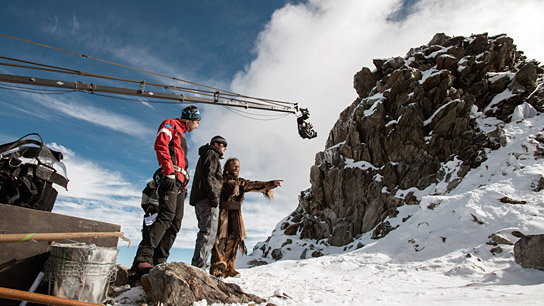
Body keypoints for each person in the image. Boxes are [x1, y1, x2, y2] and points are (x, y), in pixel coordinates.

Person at [131, 105, 200, 275]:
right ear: (190, 118)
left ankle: (159, 260)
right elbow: (161, 145)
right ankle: (144, 258)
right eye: (197, 121)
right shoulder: (170, 124)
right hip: (170, 178)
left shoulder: (182, 134)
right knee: (165, 216)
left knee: (175, 223)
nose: (197, 125)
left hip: (180, 184)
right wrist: (169, 172)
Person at [209, 158, 282, 278]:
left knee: (234, 240)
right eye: (234, 166)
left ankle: (229, 269)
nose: (237, 168)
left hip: (236, 214)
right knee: (220, 240)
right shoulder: (220, 180)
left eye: (238, 166)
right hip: (222, 213)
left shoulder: (240, 182)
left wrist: (271, 184)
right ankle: (217, 269)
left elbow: (254, 184)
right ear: (228, 167)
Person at [190, 135, 228, 269]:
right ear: (217, 145)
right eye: (224, 146)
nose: (225, 149)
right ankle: (199, 268)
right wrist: (214, 197)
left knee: (205, 233)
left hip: (201, 200)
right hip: (208, 200)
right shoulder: (212, 154)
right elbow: (209, 175)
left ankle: (197, 266)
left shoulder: (206, 154)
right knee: (208, 234)